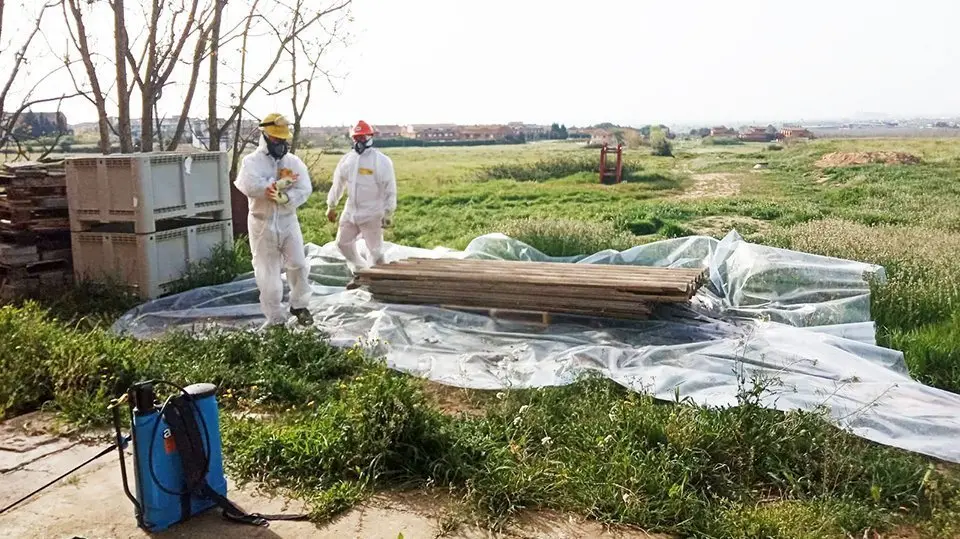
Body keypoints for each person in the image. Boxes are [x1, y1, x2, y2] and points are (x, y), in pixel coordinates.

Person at [234, 113, 314, 327]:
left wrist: (288, 197)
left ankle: (299, 305)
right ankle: (275, 318)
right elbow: (248, 185)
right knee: (268, 276)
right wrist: (274, 185)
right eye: (276, 139)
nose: (280, 143)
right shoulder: (251, 162)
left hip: (288, 221)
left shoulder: (293, 162)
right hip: (262, 224)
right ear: (265, 136)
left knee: (298, 263)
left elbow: (305, 187)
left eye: (283, 139)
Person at [326, 120, 397, 271]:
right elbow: (338, 183)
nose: (359, 142)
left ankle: (380, 279)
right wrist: (331, 205)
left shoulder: (381, 161)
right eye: (356, 138)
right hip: (351, 211)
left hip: (372, 212)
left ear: (370, 137)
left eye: (362, 138)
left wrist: (388, 212)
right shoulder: (347, 160)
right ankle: (361, 268)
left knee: (375, 251)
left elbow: (390, 188)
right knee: (342, 244)